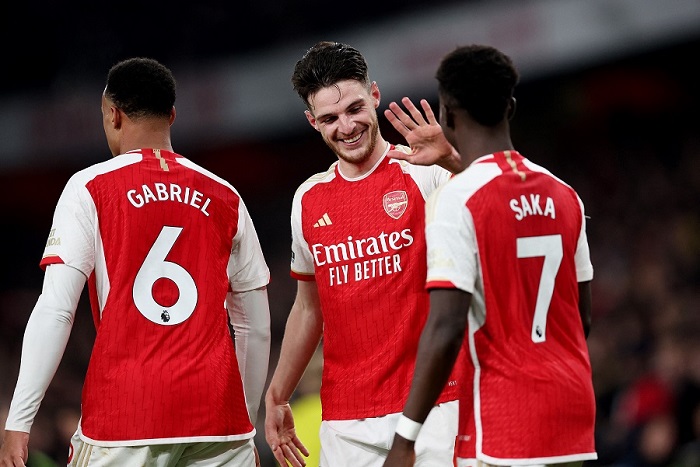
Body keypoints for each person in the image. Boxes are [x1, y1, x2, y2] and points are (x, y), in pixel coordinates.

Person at [0, 57, 271, 467]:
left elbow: (57, 310)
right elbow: (255, 325)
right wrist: (243, 423)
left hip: (126, 416)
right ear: (172, 115)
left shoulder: (90, 187)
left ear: (113, 114)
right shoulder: (225, 196)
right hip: (218, 418)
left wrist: (19, 421)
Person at [382, 44, 598, 466]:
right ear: (510, 107)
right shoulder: (565, 195)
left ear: (447, 115)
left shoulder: (455, 199)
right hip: (573, 412)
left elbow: (445, 327)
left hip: (506, 420)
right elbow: (581, 318)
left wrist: (405, 439)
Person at [264, 41, 463, 467]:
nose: (346, 126)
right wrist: (278, 394)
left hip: (437, 407)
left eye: (354, 108)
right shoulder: (308, 199)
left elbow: (502, 203)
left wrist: (455, 161)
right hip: (347, 423)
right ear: (312, 122)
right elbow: (308, 307)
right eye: (329, 118)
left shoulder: (425, 172)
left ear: (374, 95)